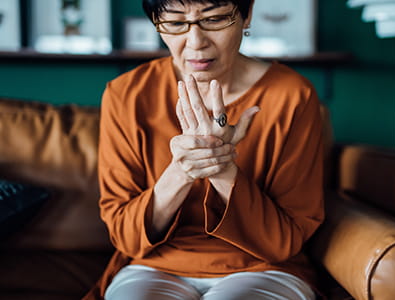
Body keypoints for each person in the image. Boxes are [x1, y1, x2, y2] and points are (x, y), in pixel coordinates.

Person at [83, 0, 324, 299]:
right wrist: (183, 170)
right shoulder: (126, 95)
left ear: (246, 16)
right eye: (174, 23)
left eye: (215, 20)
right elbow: (125, 236)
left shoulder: (293, 96)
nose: (196, 43)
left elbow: (284, 241)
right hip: (154, 265)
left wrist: (222, 166)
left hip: (265, 267)